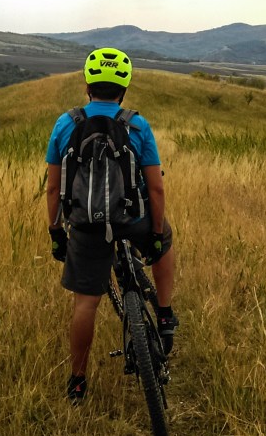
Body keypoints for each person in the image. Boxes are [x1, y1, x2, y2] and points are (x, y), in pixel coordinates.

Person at [45, 47, 178, 402]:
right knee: (166, 238)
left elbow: (54, 188)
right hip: (132, 220)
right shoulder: (137, 125)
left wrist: (56, 232)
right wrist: (154, 234)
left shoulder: (65, 124)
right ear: (124, 89)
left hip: (85, 226)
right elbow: (156, 188)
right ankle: (165, 313)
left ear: (87, 86)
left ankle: (77, 382)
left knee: (85, 304)